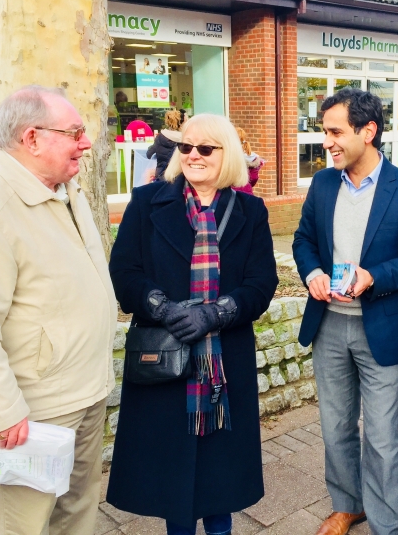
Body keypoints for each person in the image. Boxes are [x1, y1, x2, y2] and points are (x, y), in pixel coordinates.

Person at [0, 85, 117, 534]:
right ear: (32, 139)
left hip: (86, 389)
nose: (86, 141)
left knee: (78, 510)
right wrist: (2, 408)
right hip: (35, 410)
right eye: (74, 131)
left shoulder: (64, 187)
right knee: (28, 524)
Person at [106, 113, 278, 535]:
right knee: (172, 475)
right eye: (186, 147)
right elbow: (124, 272)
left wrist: (215, 313)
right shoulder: (147, 202)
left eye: (205, 148)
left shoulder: (251, 211)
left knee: (222, 475)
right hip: (165, 354)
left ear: (228, 154)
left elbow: (262, 282)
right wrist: (163, 308)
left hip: (224, 365)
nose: (193, 155)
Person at [293, 88, 398, 535]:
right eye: (324, 131)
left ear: (368, 131)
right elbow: (302, 240)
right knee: (335, 427)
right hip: (329, 326)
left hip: (381, 329)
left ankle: (388, 523)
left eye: (336, 131)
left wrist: (373, 275)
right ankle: (346, 505)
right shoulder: (321, 183)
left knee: (380, 437)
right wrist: (313, 271)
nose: (327, 141)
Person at [146, 109, 184, 181]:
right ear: (180, 123)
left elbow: (149, 155)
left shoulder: (160, 137)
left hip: (161, 176)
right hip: (178, 178)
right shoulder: (184, 139)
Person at [232, 126, 264, 195]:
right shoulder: (253, 157)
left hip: (232, 193)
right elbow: (254, 178)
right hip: (247, 192)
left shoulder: (230, 157)